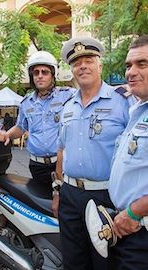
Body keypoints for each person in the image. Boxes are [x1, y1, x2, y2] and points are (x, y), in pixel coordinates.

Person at [55, 37, 136, 270]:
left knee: (106, 262)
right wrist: (58, 189)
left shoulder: (123, 101)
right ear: (72, 70)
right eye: (76, 63)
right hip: (70, 195)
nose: (82, 66)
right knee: (73, 261)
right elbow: (62, 149)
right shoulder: (68, 106)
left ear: (100, 65)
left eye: (88, 60)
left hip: (106, 196)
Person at [0, 51, 75, 194]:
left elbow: (89, 94)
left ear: (52, 75)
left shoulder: (68, 95)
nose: (40, 76)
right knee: (42, 205)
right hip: (36, 165)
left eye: (45, 72)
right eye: (36, 72)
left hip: (61, 163)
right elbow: (21, 127)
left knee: (63, 205)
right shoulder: (27, 102)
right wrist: (6, 134)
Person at [108, 35, 148, 270]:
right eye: (128, 65)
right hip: (128, 229)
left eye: (142, 64)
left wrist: (133, 212)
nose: (130, 72)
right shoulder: (138, 110)